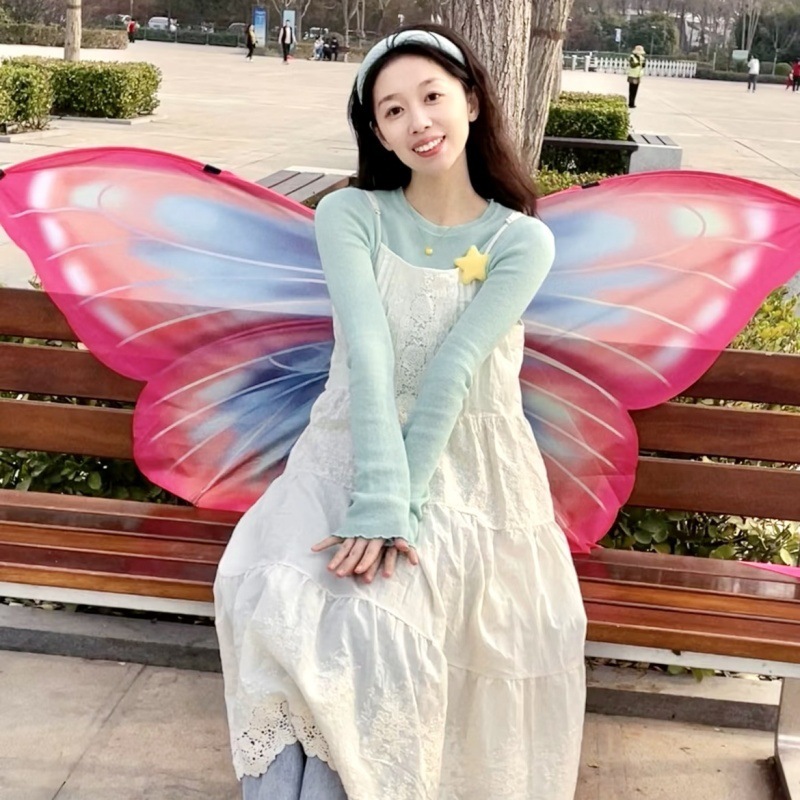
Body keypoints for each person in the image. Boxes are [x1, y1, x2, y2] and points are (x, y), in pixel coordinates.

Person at [215, 22, 587, 800]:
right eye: (392, 110)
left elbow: (453, 371)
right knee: (276, 599)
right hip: (346, 449)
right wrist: (375, 499)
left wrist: (396, 509)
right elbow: (371, 356)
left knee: (370, 622)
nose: (418, 121)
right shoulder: (351, 215)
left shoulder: (521, 240)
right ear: (377, 133)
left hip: (469, 470)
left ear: (471, 102)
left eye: (431, 97)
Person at [627, 44, 646, 108]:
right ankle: (630, 103)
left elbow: (643, 66)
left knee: (635, 90)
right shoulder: (632, 57)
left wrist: (643, 62)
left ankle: (633, 102)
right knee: (631, 90)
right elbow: (632, 65)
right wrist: (638, 63)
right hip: (632, 75)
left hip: (638, 75)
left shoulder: (642, 58)